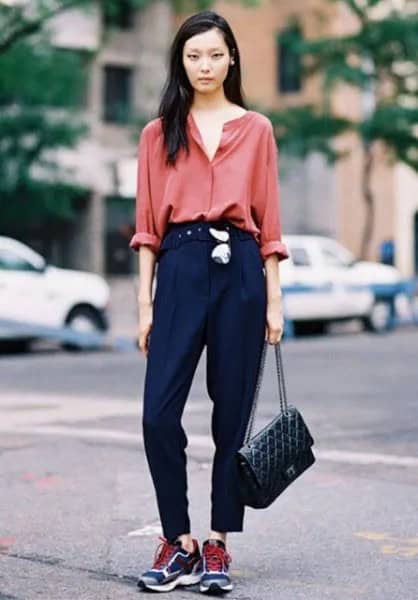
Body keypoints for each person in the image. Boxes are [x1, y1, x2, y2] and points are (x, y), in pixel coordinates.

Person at [129, 9, 289, 595]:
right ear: (181, 61)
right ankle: (179, 541)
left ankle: (218, 543)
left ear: (231, 59)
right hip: (179, 268)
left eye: (215, 55)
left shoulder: (258, 129)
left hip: (242, 273)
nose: (204, 66)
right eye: (193, 56)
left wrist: (273, 302)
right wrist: (144, 306)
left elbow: (269, 224)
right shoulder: (157, 133)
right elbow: (147, 226)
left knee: (231, 418)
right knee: (157, 416)